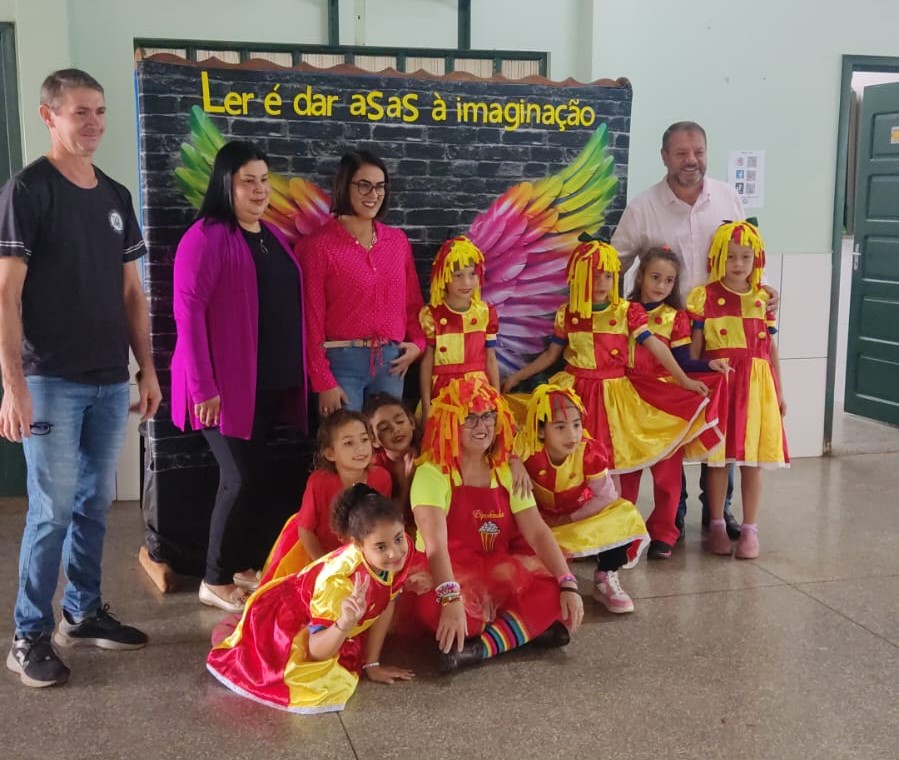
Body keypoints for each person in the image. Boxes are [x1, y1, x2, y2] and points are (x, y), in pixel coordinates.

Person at [0, 69, 161, 688]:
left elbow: (131, 295)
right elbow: (7, 298)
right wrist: (14, 385)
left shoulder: (116, 196)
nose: (92, 123)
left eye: (99, 111)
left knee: (95, 504)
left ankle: (83, 610)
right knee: (53, 510)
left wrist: (145, 369)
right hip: (50, 381)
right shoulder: (28, 190)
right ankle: (28, 634)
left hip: (107, 378)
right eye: (78, 113)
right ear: (49, 116)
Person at [611, 121, 768, 539]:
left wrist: (764, 293)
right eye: (681, 153)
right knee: (672, 428)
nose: (691, 161)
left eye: (698, 151)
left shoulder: (728, 198)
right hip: (666, 339)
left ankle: (718, 513)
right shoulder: (644, 207)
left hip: (722, 334)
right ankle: (672, 516)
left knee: (721, 422)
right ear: (664, 157)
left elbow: (746, 255)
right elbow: (615, 263)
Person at [170, 141, 308, 614]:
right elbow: (187, 315)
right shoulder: (205, 237)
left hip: (262, 384)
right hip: (220, 390)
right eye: (248, 180)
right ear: (225, 184)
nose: (259, 189)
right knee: (238, 477)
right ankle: (212, 579)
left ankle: (239, 566)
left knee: (256, 478)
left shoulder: (270, 235)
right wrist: (203, 387)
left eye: (264, 180)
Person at [409, 377, 584, 673]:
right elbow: (436, 547)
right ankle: (522, 632)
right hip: (445, 575)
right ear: (450, 423)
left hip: (501, 569)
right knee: (460, 618)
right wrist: (451, 598)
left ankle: (480, 650)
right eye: (471, 418)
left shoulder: (505, 470)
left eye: (489, 415)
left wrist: (568, 582)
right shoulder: (432, 473)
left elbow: (537, 531)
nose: (483, 426)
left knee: (555, 593)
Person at [502, 239, 713, 475]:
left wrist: (684, 380)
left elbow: (656, 346)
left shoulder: (627, 311)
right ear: (579, 276)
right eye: (594, 276)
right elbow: (551, 355)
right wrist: (516, 377)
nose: (602, 283)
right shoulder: (567, 313)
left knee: (611, 460)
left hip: (613, 397)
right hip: (575, 393)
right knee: (573, 455)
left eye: (608, 276)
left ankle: (612, 508)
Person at [207, 483, 414, 713]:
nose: (395, 553)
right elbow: (315, 650)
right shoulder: (339, 584)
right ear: (357, 545)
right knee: (277, 664)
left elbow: (387, 601)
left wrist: (372, 664)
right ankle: (242, 634)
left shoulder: (402, 550)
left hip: (329, 616)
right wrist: (343, 625)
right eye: (381, 547)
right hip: (286, 623)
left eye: (397, 539)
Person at [619, 247, 730, 559]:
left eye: (669, 281)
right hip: (628, 401)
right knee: (626, 472)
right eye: (655, 277)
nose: (661, 286)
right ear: (639, 277)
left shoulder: (674, 318)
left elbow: (682, 360)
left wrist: (708, 366)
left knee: (667, 476)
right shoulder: (621, 311)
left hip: (667, 404)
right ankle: (624, 533)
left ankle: (665, 532)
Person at [687, 220, 789, 559]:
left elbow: (772, 350)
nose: (738, 264)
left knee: (752, 461)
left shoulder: (764, 298)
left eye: (746, 257)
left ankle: (750, 529)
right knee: (717, 461)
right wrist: (695, 386)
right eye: (731, 256)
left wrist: (780, 391)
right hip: (720, 385)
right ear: (717, 257)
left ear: (757, 259)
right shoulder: (704, 296)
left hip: (757, 388)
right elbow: (696, 350)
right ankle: (716, 523)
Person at [300, 150, 425, 416]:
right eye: (364, 185)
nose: (374, 194)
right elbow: (310, 321)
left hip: (392, 362)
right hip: (341, 363)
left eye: (380, 186)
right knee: (347, 448)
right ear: (344, 186)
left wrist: (418, 344)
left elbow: (412, 303)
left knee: (389, 448)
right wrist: (322, 380)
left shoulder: (397, 242)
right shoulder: (318, 247)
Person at [515, 385, 649, 613]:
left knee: (624, 512)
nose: (572, 435)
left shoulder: (589, 451)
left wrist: (570, 517)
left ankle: (606, 575)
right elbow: (501, 448)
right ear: (539, 431)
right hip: (539, 524)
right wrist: (513, 461)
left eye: (577, 425)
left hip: (578, 519)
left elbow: (606, 496)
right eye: (560, 427)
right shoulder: (526, 447)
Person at [258, 409, 392, 586]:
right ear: (330, 453)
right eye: (348, 443)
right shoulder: (319, 482)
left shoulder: (381, 478)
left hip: (359, 553)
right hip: (317, 552)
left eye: (364, 439)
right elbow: (305, 530)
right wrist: (325, 565)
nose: (360, 447)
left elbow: (382, 524)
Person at [419, 235, 500, 420]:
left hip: (478, 390)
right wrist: (425, 405)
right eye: (458, 276)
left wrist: (497, 399)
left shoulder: (485, 312)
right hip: (444, 391)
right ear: (443, 277)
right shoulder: (431, 315)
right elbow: (427, 363)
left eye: (472, 274)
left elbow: (491, 359)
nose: (467, 283)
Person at [364, 393, 420, 525]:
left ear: (411, 422)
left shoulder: (430, 452)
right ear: (374, 440)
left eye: (400, 421)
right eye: (384, 428)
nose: (395, 429)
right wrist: (406, 482)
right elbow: (389, 523)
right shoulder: (375, 469)